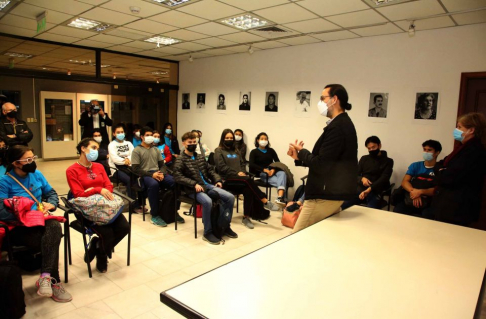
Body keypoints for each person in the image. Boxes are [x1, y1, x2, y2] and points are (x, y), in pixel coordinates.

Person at [0, 145, 72, 302]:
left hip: (40, 221)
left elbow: (51, 193)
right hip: (19, 226)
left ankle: (45, 277)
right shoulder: (4, 182)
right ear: (15, 163)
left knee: (54, 226)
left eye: (33, 157)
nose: (32, 162)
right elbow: (1, 211)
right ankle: (54, 281)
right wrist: (26, 213)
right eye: (27, 160)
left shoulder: (37, 175)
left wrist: (51, 204)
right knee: (50, 240)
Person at [288, 84, 358, 233]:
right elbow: (330, 161)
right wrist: (299, 158)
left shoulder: (338, 127)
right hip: (331, 193)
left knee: (295, 239)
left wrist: (302, 152)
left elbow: (321, 164)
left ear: (334, 99)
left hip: (323, 196)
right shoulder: (341, 124)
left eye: (322, 98)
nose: (320, 103)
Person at [66, 138, 129, 273]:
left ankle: (98, 247)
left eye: (97, 148)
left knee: (124, 227)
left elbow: (108, 186)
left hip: (105, 206)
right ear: (83, 148)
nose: (96, 151)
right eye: (93, 148)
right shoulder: (72, 170)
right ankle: (102, 256)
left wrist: (95, 190)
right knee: (107, 233)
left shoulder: (99, 166)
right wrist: (98, 189)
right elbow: (78, 194)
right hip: (87, 209)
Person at [173, 131, 237, 245]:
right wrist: (193, 184)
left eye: (194, 142)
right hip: (191, 189)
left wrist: (217, 180)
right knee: (207, 202)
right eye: (190, 142)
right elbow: (177, 176)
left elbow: (210, 170)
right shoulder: (180, 159)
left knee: (230, 197)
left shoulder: (200, 157)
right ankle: (207, 232)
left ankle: (225, 226)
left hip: (206, 184)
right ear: (184, 143)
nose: (192, 144)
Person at [214, 129, 280, 229]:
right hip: (226, 180)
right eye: (227, 138)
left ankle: (246, 217)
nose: (229, 139)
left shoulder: (236, 150)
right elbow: (221, 167)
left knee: (248, 189)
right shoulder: (218, 151)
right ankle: (265, 201)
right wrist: (237, 173)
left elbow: (242, 163)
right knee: (248, 180)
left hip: (239, 179)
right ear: (223, 138)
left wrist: (242, 172)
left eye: (231, 138)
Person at [431, 113, 486, 226]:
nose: (456, 130)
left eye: (459, 127)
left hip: (458, 206)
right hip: (447, 202)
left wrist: (441, 171)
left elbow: (450, 177)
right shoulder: (461, 148)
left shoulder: (474, 151)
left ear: (471, 130)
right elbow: (439, 164)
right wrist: (441, 169)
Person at [131, 126, 180, 227]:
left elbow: (162, 165)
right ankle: (155, 215)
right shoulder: (136, 150)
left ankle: (174, 211)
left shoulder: (156, 150)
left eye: (151, 135)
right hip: (145, 175)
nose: (150, 137)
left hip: (157, 172)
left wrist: (161, 173)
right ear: (142, 137)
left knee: (175, 182)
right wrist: (151, 175)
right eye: (147, 135)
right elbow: (135, 169)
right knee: (153, 185)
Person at [341, 136, 393, 210]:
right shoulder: (364, 158)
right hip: (360, 190)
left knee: (370, 211)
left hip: (375, 191)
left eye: (373, 147)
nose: (371, 150)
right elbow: (355, 174)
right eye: (369, 148)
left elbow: (384, 178)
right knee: (342, 205)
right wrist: (362, 178)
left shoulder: (388, 161)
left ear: (379, 145)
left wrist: (369, 189)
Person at [393, 140, 442, 216]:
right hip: (411, 197)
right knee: (398, 210)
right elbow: (405, 182)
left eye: (429, 150)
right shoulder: (415, 165)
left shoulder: (440, 169)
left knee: (427, 214)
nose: (426, 152)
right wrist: (414, 192)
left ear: (437, 152)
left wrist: (421, 192)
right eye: (424, 149)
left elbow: (439, 189)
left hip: (429, 200)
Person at [107, 123, 145, 213]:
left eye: (122, 132)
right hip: (116, 169)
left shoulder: (128, 143)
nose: (120, 134)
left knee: (140, 177)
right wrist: (125, 161)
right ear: (114, 134)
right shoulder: (111, 145)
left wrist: (128, 159)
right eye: (118, 132)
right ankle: (133, 206)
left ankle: (140, 202)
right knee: (129, 180)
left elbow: (133, 154)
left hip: (129, 167)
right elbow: (114, 158)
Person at [249, 132, 287, 206]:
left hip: (273, 171)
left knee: (283, 173)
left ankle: (279, 197)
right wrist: (264, 170)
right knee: (283, 181)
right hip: (262, 173)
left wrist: (273, 169)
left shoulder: (271, 150)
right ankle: (281, 198)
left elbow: (277, 162)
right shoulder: (254, 152)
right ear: (257, 140)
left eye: (266, 139)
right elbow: (252, 164)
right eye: (262, 139)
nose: (264, 140)